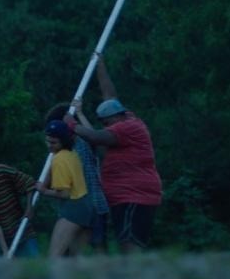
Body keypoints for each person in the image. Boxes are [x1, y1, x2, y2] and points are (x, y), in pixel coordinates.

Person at [67, 57, 162, 253]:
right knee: (124, 240)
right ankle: (134, 275)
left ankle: (138, 277)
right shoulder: (121, 119)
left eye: (107, 122)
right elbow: (109, 95)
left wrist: (71, 124)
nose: (106, 126)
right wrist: (100, 65)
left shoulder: (128, 127)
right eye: (102, 122)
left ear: (117, 116)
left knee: (129, 241)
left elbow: (94, 137)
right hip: (123, 196)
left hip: (135, 195)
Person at [45, 101, 110, 254]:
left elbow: (95, 138)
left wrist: (79, 114)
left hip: (93, 204)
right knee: (72, 254)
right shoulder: (60, 151)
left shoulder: (82, 143)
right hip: (75, 207)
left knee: (99, 250)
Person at [37, 120, 94, 257]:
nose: (49, 146)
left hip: (73, 208)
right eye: (48, 141)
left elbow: (64, 194)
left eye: (53, 143)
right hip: (87, 208)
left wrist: (43, 190)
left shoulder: (59, 160)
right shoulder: (72, 154)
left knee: (54, 256)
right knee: (73, 259)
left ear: (63, 141)